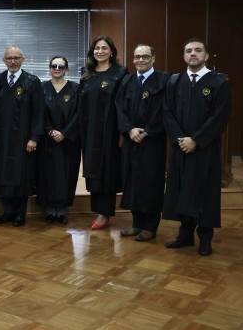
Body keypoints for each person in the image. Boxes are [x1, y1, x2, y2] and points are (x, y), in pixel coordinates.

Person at [163, 38, 230, 256]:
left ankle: (205, 237)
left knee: (205, 192)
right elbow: (167, 112)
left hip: (205, 150)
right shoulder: (174, 81)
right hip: (180, 148)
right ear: (184, 56)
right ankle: (185, 234)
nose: (193, 54)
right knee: (182, 189)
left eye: (198, 50)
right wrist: (180, 138)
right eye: (189, 51)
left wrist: (196, 140)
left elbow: (219, 117)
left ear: (206, 55)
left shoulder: (219, 82)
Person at [115, 45, 168, 241]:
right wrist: (129, 129)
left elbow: (164, 111)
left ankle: (150, 226)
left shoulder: (163, 81)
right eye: (137, 57)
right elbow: (119, 108)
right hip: (131, 140)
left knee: (151, 182)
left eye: (145, 56)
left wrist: (147, 131)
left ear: (153, 58)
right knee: (133, 181)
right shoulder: (128, 80)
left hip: (152, 141)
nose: (140, 60)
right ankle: (136, 224)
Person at [78, 35, 127, 230]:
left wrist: (122, 131)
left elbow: (124, 104)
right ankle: (98, 210)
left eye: (104, 48)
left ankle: (105, 213)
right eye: (97, 48)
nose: (100, 51)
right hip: (89, 132)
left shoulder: (120, 73)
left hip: (110, 132)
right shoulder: (87, 73)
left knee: (107, 171)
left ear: (112, 51)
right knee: (93, 171)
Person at [0, 46, 43, 227]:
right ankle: (7, 211)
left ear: (23, 59)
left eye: (16, 58)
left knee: (21, 175)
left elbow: (39, 113)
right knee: (3, 174)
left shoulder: (32, 81)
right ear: (4, 60)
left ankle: (20, 213)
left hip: (23, 139)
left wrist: (34, 138)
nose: (13, 61)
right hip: (1, 139)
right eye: (9, 58)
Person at [37, 56, 80, 224]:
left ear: (66, 69)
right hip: (47, 141)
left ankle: (62, 210)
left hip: (68, 141)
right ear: (49, 68)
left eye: (61, 66)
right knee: (47, 174)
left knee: (66, 174)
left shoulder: (75, 89)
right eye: (53, 66)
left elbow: (79, 114)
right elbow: (38, 113)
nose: (57, 69)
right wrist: (50, 130)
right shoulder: (41, 88)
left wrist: (65, 133)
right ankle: (49, 210)